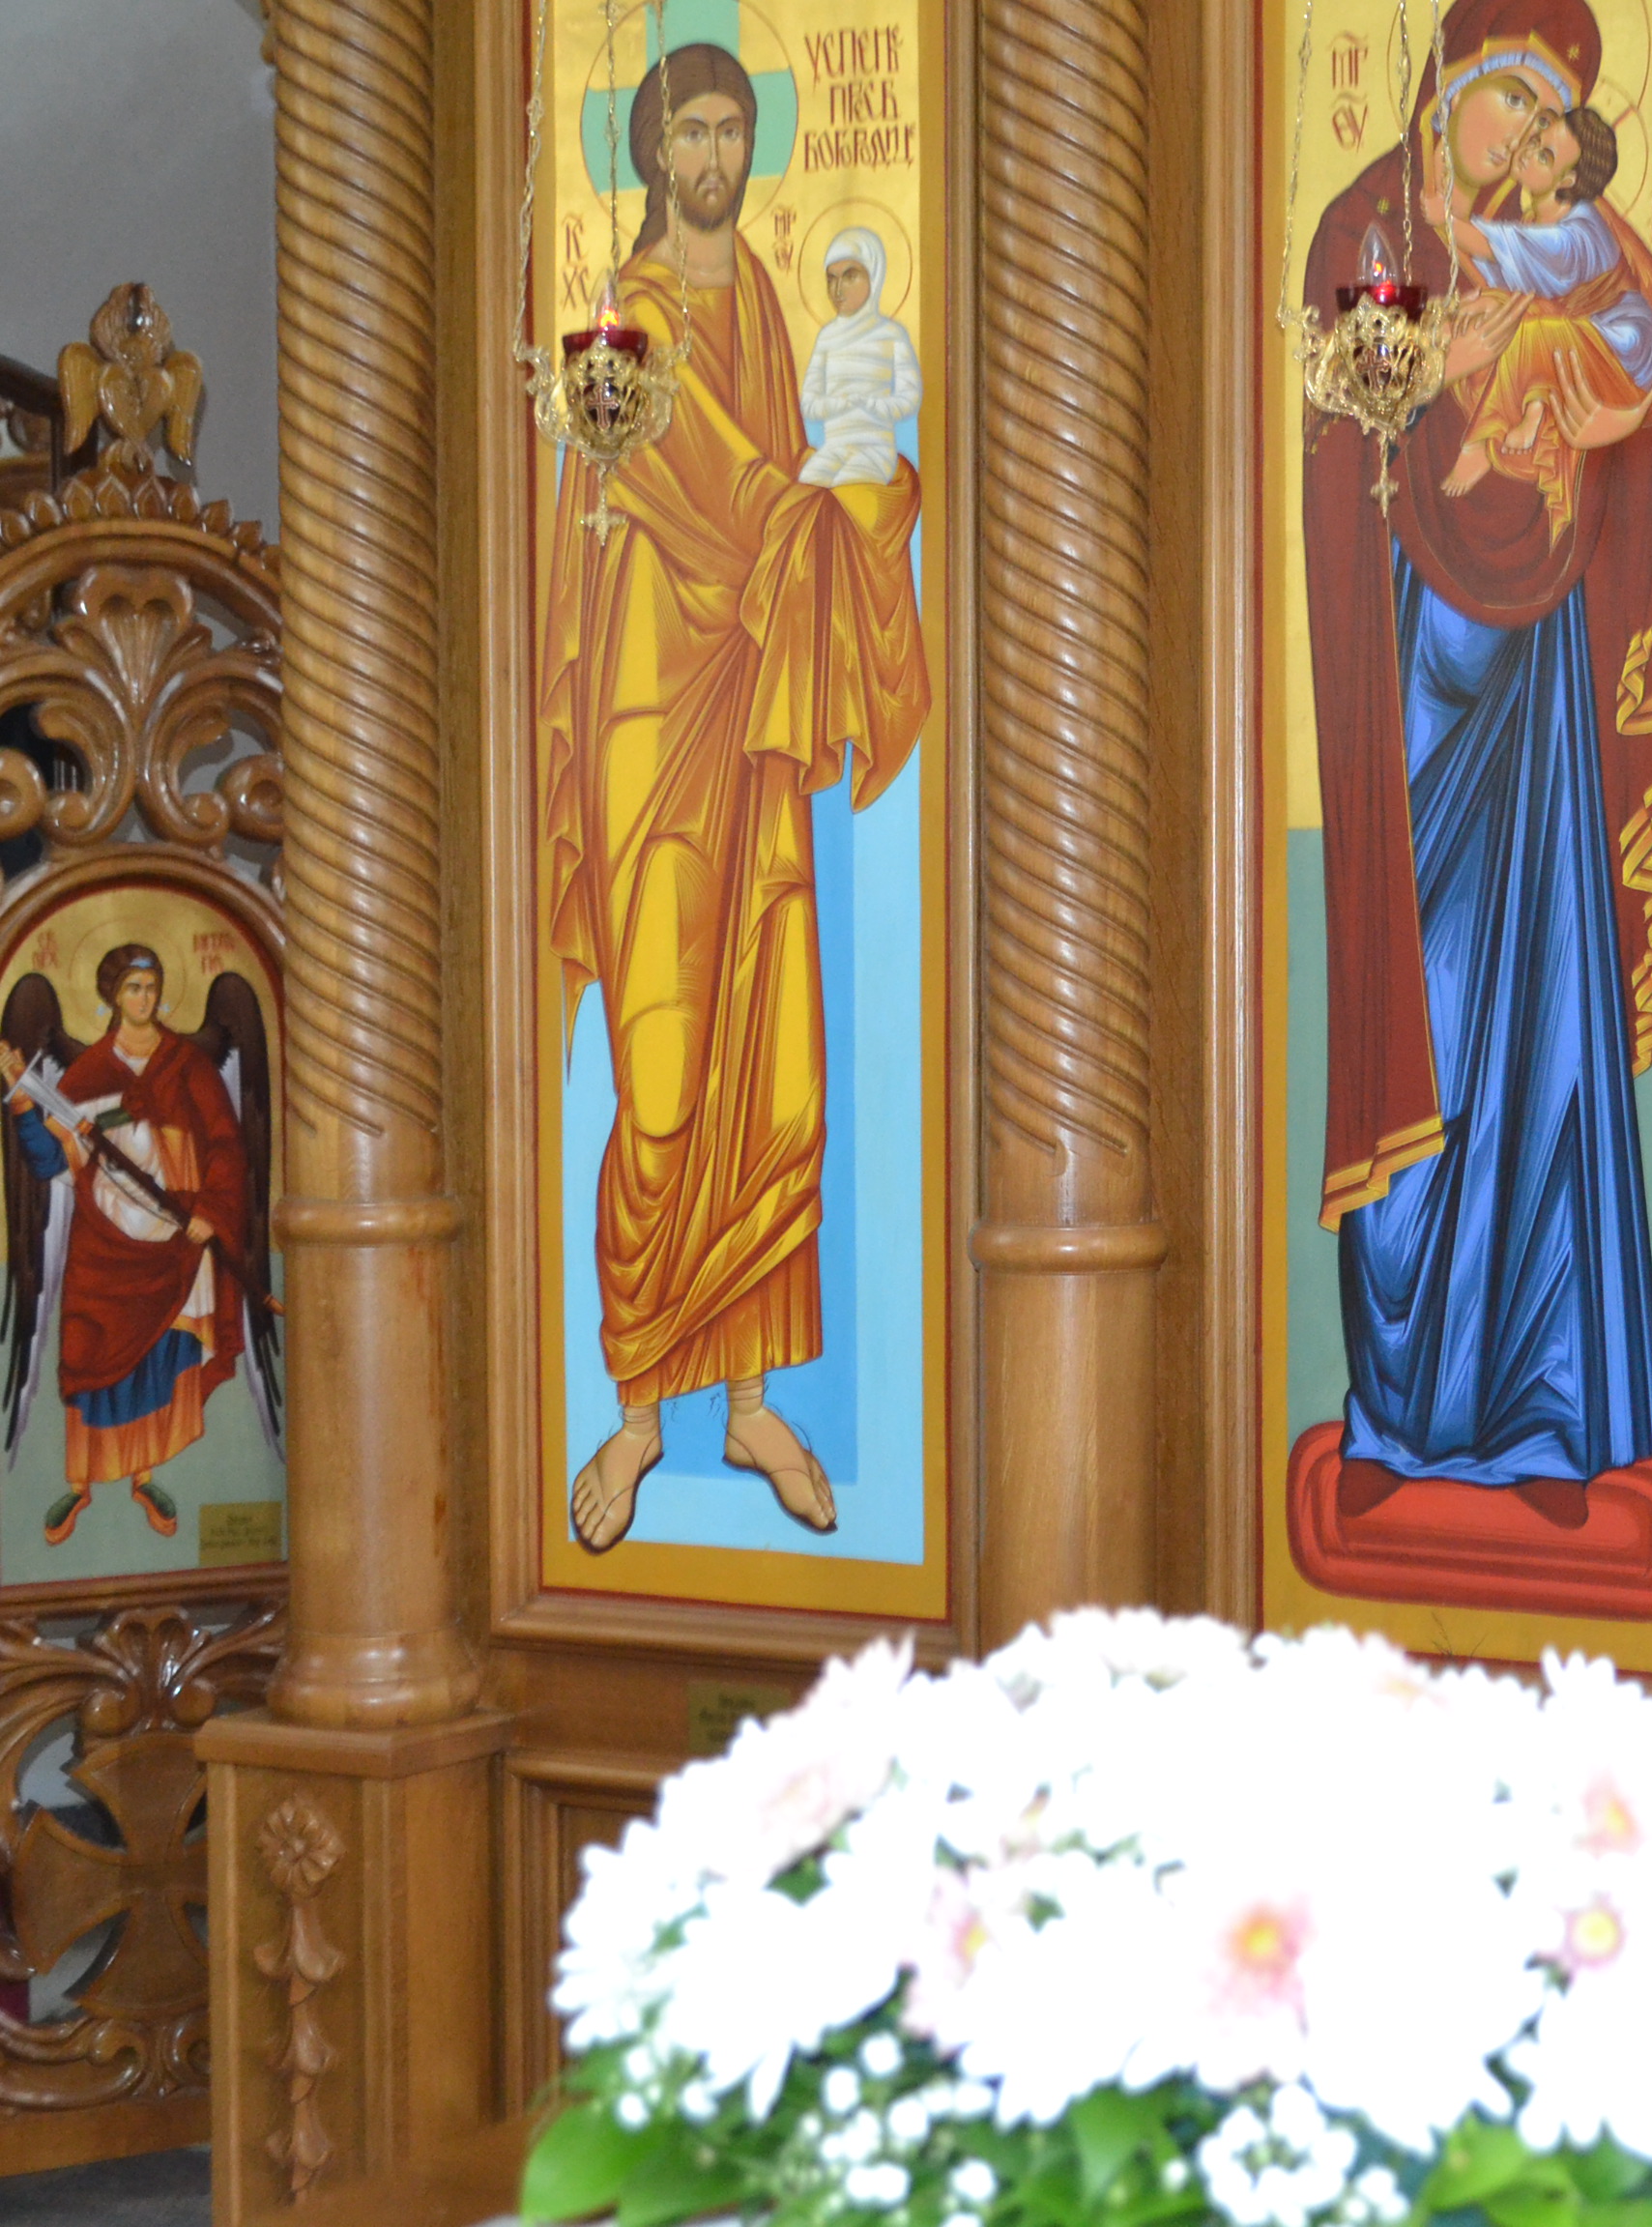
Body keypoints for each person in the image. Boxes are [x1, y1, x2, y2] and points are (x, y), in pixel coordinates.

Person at [1297, 1, 1652, 1511]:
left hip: (1542, 693)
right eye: (1515, 103)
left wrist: (1547, 383)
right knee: (1425, 1009)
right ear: (1451, 85)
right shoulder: (1370, 227)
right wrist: (1447, 394)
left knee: (1542, 1024)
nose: (1531, 138)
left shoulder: (1565, 247)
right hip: (1408, 676)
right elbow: (1347, 442)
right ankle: (1398, 1416)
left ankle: (1544, 1409)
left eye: (1551, 119)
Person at [536, 40, 933, 1551]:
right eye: (687, 130)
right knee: (661, 1073)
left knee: (776, 1062)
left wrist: (867, 492)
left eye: (729, 130)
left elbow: (795, 468)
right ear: (651, 149)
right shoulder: (627, 314)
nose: (710, 155)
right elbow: (705, 481)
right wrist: (840, 512)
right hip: (649, 716)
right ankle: (640, 1412)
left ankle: (751, 1399)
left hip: (753, 722)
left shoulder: (766, 295)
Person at [6, 947, 249, 1546]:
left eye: (152, 987)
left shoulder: (189, 1066)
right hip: (103, 1245)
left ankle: (144, 1476)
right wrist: (22, 1100)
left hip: (175, 1238)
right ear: (113, 996)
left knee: (158, 1356)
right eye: (133, 988)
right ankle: (81, 1483)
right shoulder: (88, 1072)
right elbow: (47, 1161)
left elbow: (226, 1144)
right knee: (89, 1353)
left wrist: (211, 1212)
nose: (144, 998)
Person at [1429, 105, 1652, 538]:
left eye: (1544, 155)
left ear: (1567, 180)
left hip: (1626, 342)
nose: (1527, 151)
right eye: (1537, 140)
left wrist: (1440, 214)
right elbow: (1518, 283)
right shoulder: (1536, 219)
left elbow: (1503, 248)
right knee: (1492, 321)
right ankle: (1532, 410)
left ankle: (1484, 441)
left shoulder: (1581, 231)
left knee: (1532, 332)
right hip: (1576, 327)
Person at [798, 226, 923, 490]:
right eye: (831, 279)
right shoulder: (826, 337)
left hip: (874, 449)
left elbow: (910, 398)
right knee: (806, 490)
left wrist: (870, 404)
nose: (838, 290)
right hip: (834, 447)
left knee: (848, 491)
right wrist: (840, 403)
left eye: (850, 277)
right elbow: (809, 403)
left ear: (874, 275)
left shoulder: (891, 335)